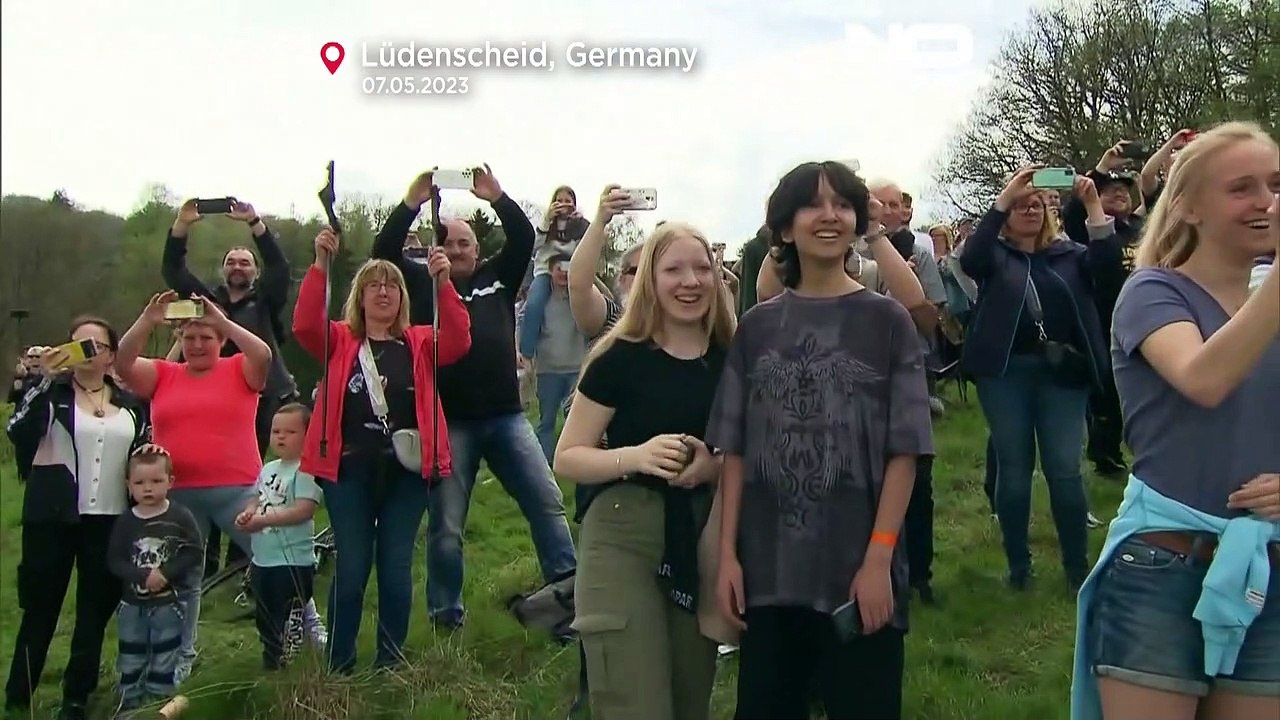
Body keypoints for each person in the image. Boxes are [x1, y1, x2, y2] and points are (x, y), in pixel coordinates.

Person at [708, 161, 932, 720]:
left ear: (858, 221)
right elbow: (734, 449)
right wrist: (727, 556)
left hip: (858, 571)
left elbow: (905, 451)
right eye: (812, 204)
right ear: (785, 228)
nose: (829, 215)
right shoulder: (756, 328)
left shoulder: (887, 322)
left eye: (842, 204)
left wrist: (879, 559)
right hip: (769, 572)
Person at [1072, 121, 1280, 720]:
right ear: (1186, 205)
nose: (1267, 201)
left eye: (1275, 183)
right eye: (1242, 188)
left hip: (1261, 571)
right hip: (1161, 569)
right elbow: (1205, 380)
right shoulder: (1153, 293)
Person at [371, 167, 577, 630]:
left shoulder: (496, 277)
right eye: (447, 242)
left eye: (465, 243)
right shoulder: (420, 281)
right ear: (432, 248)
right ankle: (447, 618)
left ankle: (567, 603)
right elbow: (382, 252)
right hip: (449, 424)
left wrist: (497, 197)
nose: (456, 250)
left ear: (477, 249)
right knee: (446, 528)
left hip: (506, 416)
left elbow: (524, 239)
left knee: (546, 503)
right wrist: (412, 202)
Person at [554, 199, 737, 720]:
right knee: (635, 702)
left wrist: (713, 467)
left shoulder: (732, 357)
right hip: (621, 534)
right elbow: (567, 457)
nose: (690, 281)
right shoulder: (621, 356)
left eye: (702, 268)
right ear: (649, 279)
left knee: (689, 695)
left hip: (700, 532)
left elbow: (755, 452)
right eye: (673, 269)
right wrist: (634, 456)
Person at [294, 227, 471, 673]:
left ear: (402, 297)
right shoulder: (339, 340)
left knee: (394, 567)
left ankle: (390, 665)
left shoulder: (419, 342)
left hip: (406, 472)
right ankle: (340, 665)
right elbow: (303, 326)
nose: (383, 291)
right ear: (359, 296)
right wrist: (319, 264)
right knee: (352, 566)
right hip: (348, 468)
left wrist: (444, 282)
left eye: (391, 284)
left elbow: (459, 339)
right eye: (373, 284)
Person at [959, 170, 1111, 592]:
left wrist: (1094, 204)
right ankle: (1019, 568)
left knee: (1064, 468)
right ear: (1006, 215)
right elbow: (970, 259)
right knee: (1015, 468)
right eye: (1021, 204)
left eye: (1038, 203)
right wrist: (1006, 195)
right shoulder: (994, 258)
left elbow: (1107, 266)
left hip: (1062, 374)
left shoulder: (1070, 256)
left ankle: (1077, 568)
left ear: (1049, 213)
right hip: (1006, 374)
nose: (1030, 209)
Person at [113, 291, 273, 680]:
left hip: (238, 489)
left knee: (274, 558)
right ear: (180, 342)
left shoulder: (239, 369)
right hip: (179, 495)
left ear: (221, 340)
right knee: (186, 578)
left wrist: (223, 321)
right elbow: (123, 363)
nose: (198, 345)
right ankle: (182, 652)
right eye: (190, 338)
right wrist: (147, 319)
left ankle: (303, 625)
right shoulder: (164, 374)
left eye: (207, 337)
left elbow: (264, 355)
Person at [4, 318, 152, 720]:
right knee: (41, 610)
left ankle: (76, 698)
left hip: (107, 521)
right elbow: (16, 431)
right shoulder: (52, 395)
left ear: (109, 355)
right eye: (77, 345)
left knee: (93, 614)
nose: (86, 353)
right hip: (53, 519)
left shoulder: (130, 404)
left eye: (95, 346)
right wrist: (44, 382)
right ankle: (20, 694)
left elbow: (144, 451)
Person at [161, 198, 295, 576]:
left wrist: (255, 222)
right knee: (210, 467)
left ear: (254, 271)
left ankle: (246, 557)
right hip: (213, 398)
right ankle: (207, 560)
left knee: (248, 472)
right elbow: (174, 270)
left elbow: (281, 267)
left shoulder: (264, 300)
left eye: (245, 262)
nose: (238, 267)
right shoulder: (207, 303)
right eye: (231, 262)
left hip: (263, 393)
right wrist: (181, 226)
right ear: (223, 270)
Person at [106, 448, 203, 716]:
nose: (147, 489)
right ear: (128, 486)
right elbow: (115, 560)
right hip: (132, 604)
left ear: (171, 481)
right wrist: (141, 576)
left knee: (165, 651)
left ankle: (157, 702)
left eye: (156, 481)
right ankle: (130, 702)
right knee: (131, 653)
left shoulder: (180, 516)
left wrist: (166, 572)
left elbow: (194, 551)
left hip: (168, 603)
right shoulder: (126, 522)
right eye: (139, 483)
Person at [234, 403, 323, 671]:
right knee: (265, 616)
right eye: (276, 431)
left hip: (293, 562)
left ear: (308, 435)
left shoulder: (306, 469)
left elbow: (303, 510)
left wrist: (265, 520)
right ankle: (272, 661)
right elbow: (255, 498)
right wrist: (249, 515)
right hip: (263, 560)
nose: (281, 437)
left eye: (290, 431)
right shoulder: (269, 468)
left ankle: (293, 666)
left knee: (288, 617)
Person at [519, 185, 590, 363]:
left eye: (568, 201)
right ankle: (526, 353)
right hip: (546, 271)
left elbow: (589, 247)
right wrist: (546, 221)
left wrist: (583, 223)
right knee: (534, 303)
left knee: (593, 300)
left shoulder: (580, 224)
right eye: (559, 201)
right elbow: (533, 247)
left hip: (573, 270)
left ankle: (592, 347)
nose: (563, 205)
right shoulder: (546, 223)